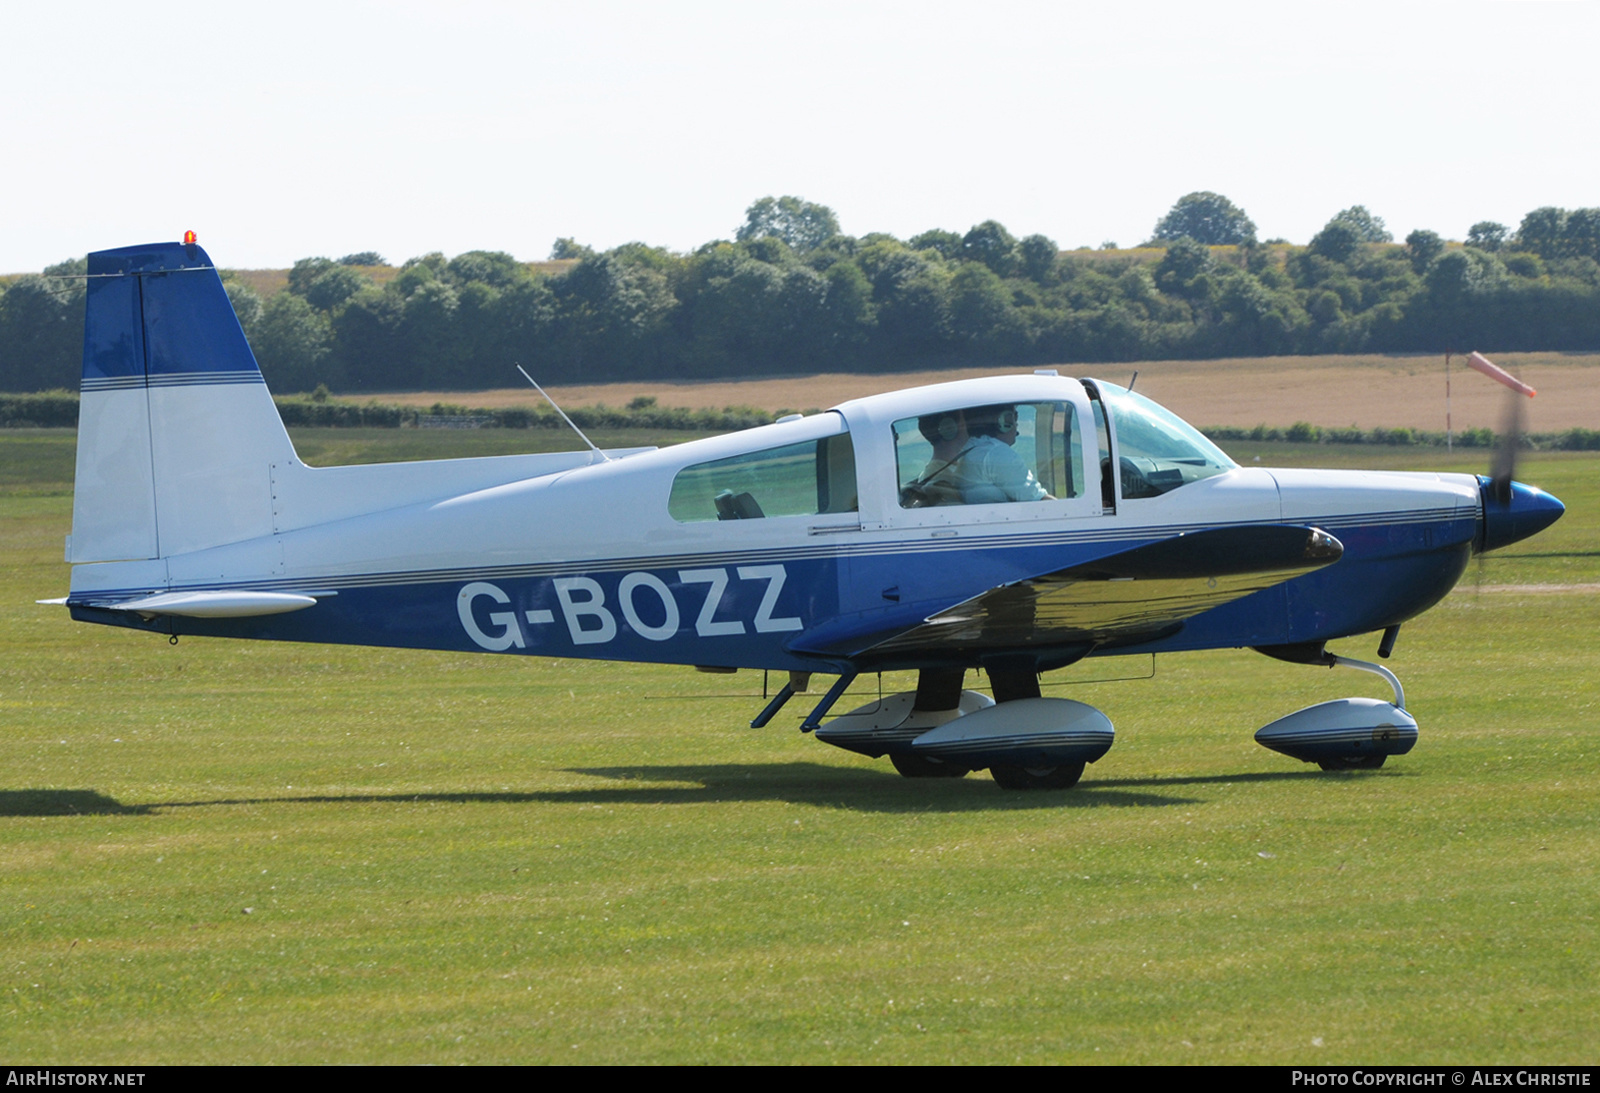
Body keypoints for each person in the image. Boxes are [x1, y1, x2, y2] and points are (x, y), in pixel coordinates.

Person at [956, 405, 1051, 503]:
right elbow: (1037, 499)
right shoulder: (996, 453)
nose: (1016, 424)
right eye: (1014, 417)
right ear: (1004, 422)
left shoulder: (971, 447)